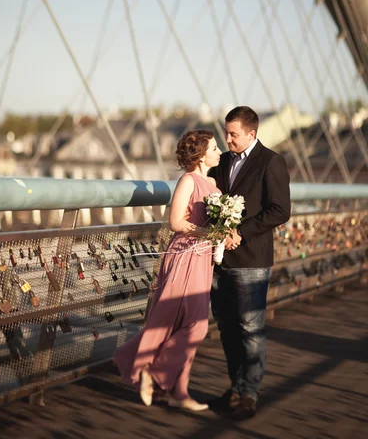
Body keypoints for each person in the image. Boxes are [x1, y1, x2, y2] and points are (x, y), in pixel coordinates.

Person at [114, 130, 240, 411]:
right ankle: (156, 373)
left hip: (203, 257)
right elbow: (175, 222)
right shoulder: (189, 180)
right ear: (200, 155)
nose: (220, 152)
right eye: (214, 148)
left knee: (186, 323)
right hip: (184, 255)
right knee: (195, 326)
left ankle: (179, 392)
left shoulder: (213, 185)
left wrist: (225, 232)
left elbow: (212, 223)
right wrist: (209, 231)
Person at [208, 106, 291, 420]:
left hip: (252, 258)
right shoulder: (223, 161)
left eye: (233, 134)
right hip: (219, 258)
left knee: (250, 327)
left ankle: (249, 393)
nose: (227, 139)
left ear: (252, 133)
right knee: (227, 327)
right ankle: (235, 387)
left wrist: (240, 231)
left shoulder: (271, 161)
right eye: (226, 133)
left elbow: (280, 210)